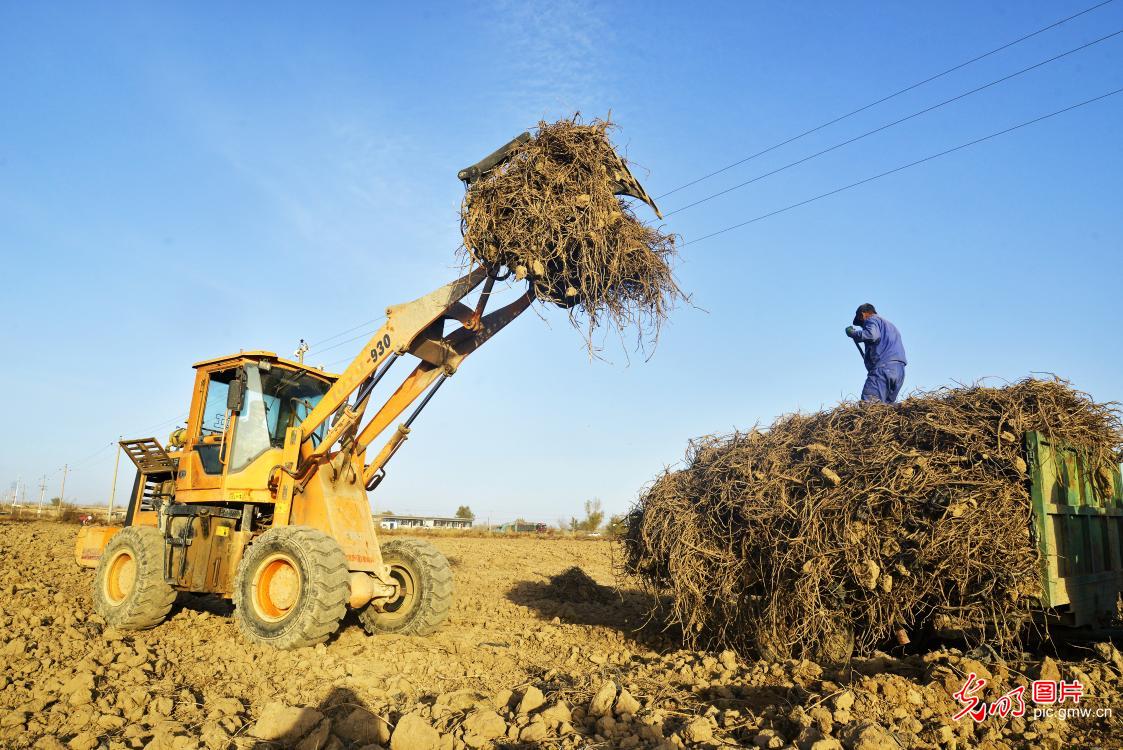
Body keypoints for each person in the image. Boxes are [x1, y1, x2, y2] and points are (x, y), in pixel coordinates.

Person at [845, 303, 907, 403]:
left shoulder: (871, 319)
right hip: (899, 372)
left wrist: (853, 333)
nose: (863, 327)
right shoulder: (890, 326)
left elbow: (871, 335)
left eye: (861, 324)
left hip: (883, 370)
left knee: (869, 406)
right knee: (886, 410)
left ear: (863, 315)